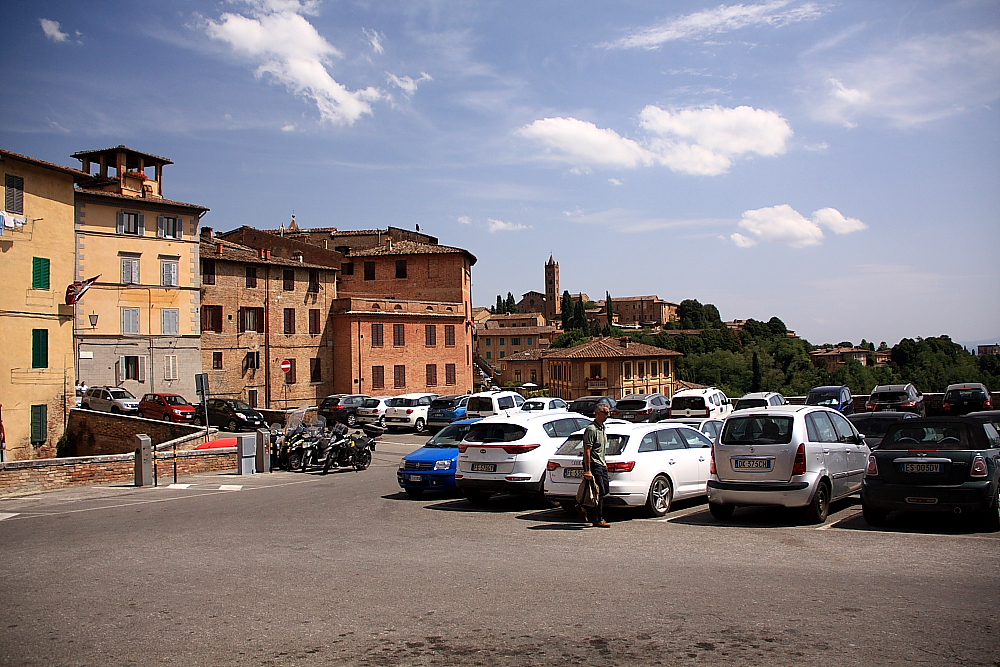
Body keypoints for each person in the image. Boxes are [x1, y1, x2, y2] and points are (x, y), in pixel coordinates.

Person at [580, 403, 611, 528]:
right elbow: (587, 450)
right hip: (594, 464)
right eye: (605, 413)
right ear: (597, 413)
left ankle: (582, 505)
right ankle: (599, 519)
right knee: (599, 491)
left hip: (601, 463)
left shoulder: (602, 428)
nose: (608, 415)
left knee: (605, 490)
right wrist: (588, 470)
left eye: (608, 412)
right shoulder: (591, 429)